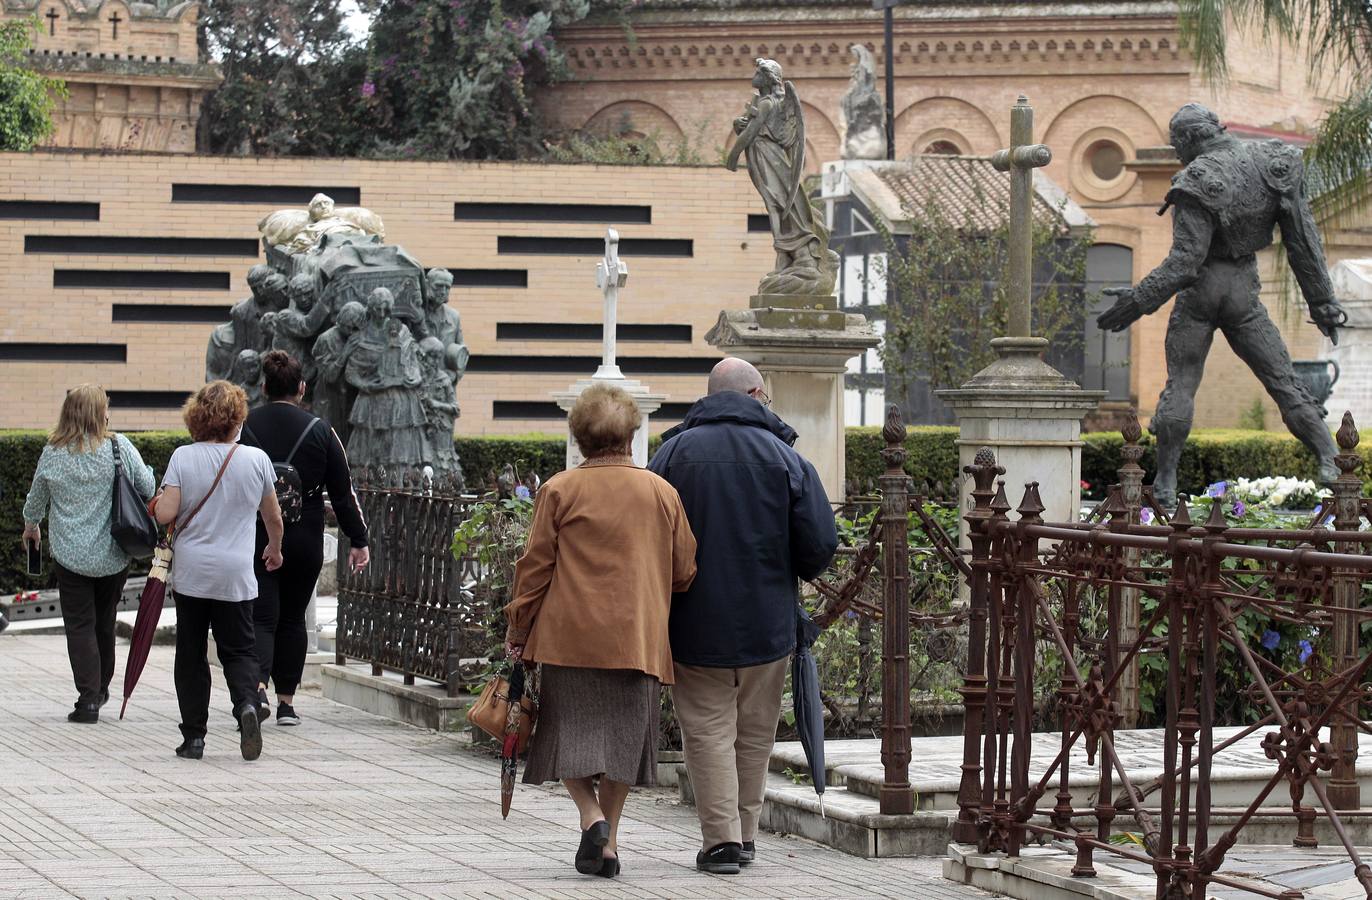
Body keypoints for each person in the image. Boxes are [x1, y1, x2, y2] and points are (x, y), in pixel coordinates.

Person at [1096, 103, 1348, 508]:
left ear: (1191, 139)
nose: (1177, 153)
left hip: (1201, 292)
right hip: (1243, 292)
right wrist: (1323, 304)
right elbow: (1302, 240)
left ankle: (1164, 480)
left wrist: (1137, 301)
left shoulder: (1196, 179)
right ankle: (1330, 459)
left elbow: (1184, 261)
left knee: (1182, 382)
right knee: (1283, 380)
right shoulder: (1274, 163)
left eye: (1177, 144)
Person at [647, 358, 838, 875]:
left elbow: (648, 537)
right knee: (755, 731)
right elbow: (821, 543)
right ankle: (746, 835)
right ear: (756, 393)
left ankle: (721, 841)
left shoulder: (671, 454)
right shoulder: (785, 457)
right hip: (767, 622)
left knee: (707, 729)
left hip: (693, 621)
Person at [504, 382, 697, 880]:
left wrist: (518, 627)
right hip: (637, 638)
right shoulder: (661, 492)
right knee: (624, 746)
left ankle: (591, 821)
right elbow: (684, 570)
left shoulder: (559, 489)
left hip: (569, 638)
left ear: (579, 440)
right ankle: (607, 841)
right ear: (632, 437)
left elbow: (535, 568)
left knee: (564, 735)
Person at [150, 381, 283, 762]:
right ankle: (245, 706)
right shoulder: (256, 460)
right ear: (237, 418)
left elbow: (165, 514)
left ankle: (193, 737)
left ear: (196, 418)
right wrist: (274, 549)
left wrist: (159, 498)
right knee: (239, 649)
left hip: (193, 573)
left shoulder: (183, 457)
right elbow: (273, 517)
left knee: (191, 653)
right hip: (237, 573)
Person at [241, 350, 370, 727]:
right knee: (294, 619)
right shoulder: (321, 431)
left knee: (261, 618)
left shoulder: (245, 427)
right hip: (304, 538)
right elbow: (344, 493)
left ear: (263, 387)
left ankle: (257, 690)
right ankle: (286, 704)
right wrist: (358, 539)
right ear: (301, 387)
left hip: (257, 534)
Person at [21, 385, 156, 724]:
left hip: (70, 557)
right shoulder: (118, 446)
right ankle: (101, 687)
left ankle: (88, 698)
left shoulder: (53, 452)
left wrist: (31, 526)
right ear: (99, 412)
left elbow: (35, 500)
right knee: (104, 621)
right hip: (112, 555)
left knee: (80, 625)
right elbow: (148, 488)